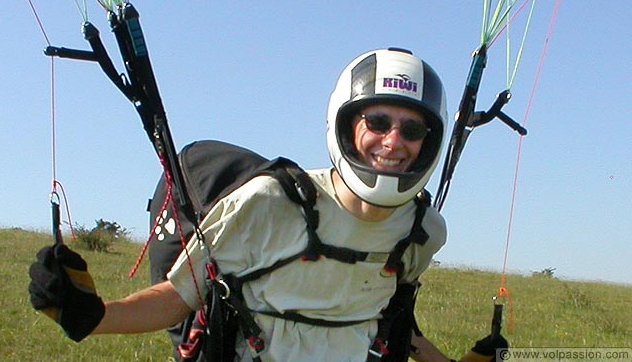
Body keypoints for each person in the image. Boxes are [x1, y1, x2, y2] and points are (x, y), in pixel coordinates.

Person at [28, 48, 507, 362]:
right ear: (346, 125)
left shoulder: (423, 230)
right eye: (377, 121)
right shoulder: (267, 204)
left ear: (430, 141)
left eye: (413, 129)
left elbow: (391, 322)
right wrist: (93, 316)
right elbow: (177, 299)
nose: (392, 141)